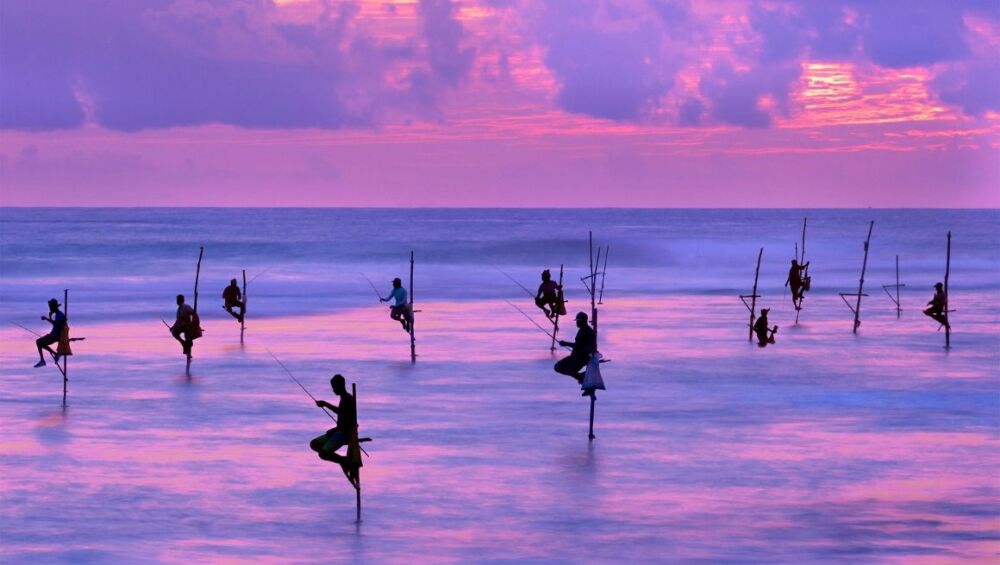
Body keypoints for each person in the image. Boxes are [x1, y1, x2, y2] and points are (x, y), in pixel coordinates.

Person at [310, 374, 360, 488]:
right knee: (314, 444)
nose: (333, 390)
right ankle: (343, 460)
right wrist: (325, 404)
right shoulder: (344, 397)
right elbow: (340, 412)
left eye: (334, 387)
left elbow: (347, 422)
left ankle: (344, 462)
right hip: (339, 431)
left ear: (340, 386)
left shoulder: (347, 399)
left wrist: (334, 430)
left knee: (323, 454)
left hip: (344, 433)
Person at [554, 312, 597, 386]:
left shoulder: (585, 331)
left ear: (582, 321)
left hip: (580, 359)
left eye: (577, 321)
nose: (576, 322)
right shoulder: (583, 329)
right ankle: (581, 377)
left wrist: (565, 343)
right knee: (558, 367)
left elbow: (579, 345)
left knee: (569, 371)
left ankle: (582, 378)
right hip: (575, 357)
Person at [34, 298, 66, 368]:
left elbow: (57, 324)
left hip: (54, 336)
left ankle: (44, 360)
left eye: (50, 307)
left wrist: (48, 318)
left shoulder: (60, 314)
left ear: (53, 307)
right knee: (40, 343)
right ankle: (55, 354)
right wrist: (48, 318)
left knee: (38, 342)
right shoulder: (58, 314)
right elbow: (55, 324)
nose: (50, 308)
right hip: (53, 335)